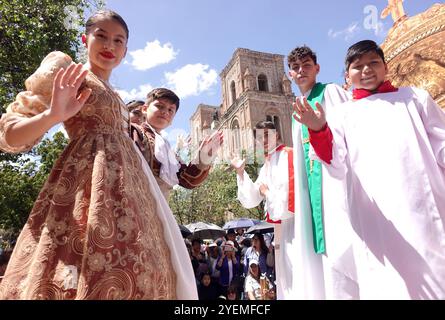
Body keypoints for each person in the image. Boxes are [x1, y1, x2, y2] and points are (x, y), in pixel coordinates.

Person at [0, 10, 196, 299]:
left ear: (126, 51)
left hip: (134, 201)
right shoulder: (67, 70)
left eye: (118, 41)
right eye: (101, 36)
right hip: (86, 192)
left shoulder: (119, 97)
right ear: (85, 39)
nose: (110, 46)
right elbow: (9, 135)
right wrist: (53, 115)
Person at [295, 39, 445, 299]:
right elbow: (335, 164)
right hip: (375, 219)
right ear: (347, 75)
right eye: (358, 66)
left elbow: (441, 144)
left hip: (424, 210)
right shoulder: (342, 114)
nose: (366, 70)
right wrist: (318, 130)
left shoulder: (414, 98)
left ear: (386, 67)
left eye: (373, 62)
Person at [288, 45, 352, 299]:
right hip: (311, 191)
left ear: (317, 68)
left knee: (343, 248)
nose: (301, 70)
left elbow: (348, 135)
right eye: (295, 67)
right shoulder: (296, 109)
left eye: (306, 65)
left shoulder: (331, 92)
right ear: (290, 75)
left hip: (335, 182)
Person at [130, 87, 223, 199]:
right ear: (145, 109)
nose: (165, 112)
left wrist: (204, 158)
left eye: (170, 110)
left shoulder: (169, 151)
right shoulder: (132, 131)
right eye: (159, 106)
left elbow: (188, 180)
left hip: (159, 207)